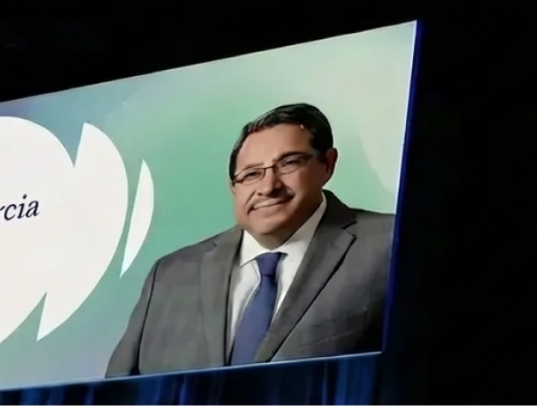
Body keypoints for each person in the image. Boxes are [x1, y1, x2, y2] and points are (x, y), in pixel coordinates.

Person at [106, 103, 394, 377]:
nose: (268, 187)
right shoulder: (170, 274)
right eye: (251, 174)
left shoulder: (392, 243)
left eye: (289, 163)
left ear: (327, 164)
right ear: (233, 187)